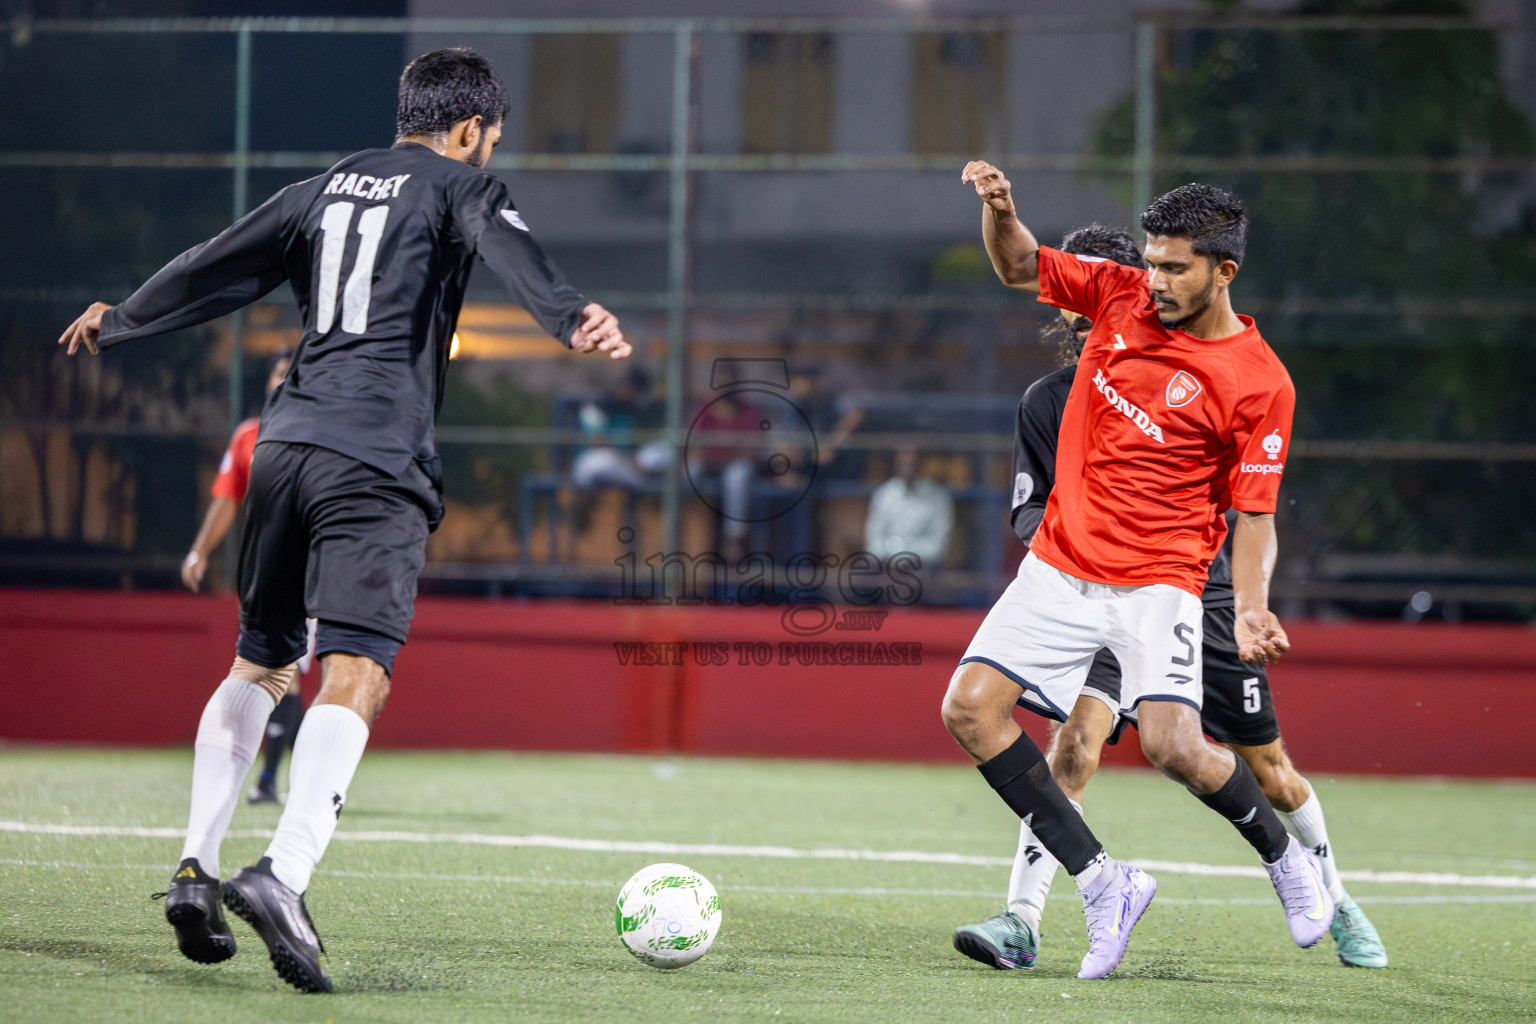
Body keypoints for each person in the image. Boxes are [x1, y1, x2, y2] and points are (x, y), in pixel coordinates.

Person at [60, 47, 630, 993]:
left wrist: (123, 317)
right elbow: (512, 247)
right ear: (468, 130)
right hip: (375, 457)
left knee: (261, 661)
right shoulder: (461, 185)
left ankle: (195, 866)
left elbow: (213, 267)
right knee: (357, 669)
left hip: (282, 450)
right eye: (487, 140)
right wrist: (571, 318)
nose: (484, 155)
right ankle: (283, 876)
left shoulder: (319, 189)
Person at [951, 225, 1387, 972]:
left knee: (1263, 768)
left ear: (1213, 274)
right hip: (1087, 583)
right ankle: (1025, 915)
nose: (1146, 287)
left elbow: (1254, 511)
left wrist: (1251, 603)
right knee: (1074, 746)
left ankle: (1329, 888)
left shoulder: (1242, 373)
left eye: (1161, 271)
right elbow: (1028, 508)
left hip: (1196, 591)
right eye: (1139, 272)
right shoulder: (1051, 399)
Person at [182, 349, 313, 806]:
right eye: (279, 373)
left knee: (292, 677)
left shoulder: (324, 437)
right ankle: (287, 777)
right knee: (270, 677)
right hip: (260, 578)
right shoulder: (248, 438)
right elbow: (225, 499)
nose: (285, 381)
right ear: (267, 382)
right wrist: (200, 549)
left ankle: (274, 778)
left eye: (293, 374)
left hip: (310, 580)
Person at [864, 448, 953, 568]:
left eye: (912, 464)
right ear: (896, 464)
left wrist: (904, 554)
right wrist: (894, 556)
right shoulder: (883, 494)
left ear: (920, 464)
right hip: (886, 567)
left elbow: (938, 547)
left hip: (924, 568)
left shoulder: (937, 496)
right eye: (903, 464)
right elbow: (873, 542)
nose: (907, 468)